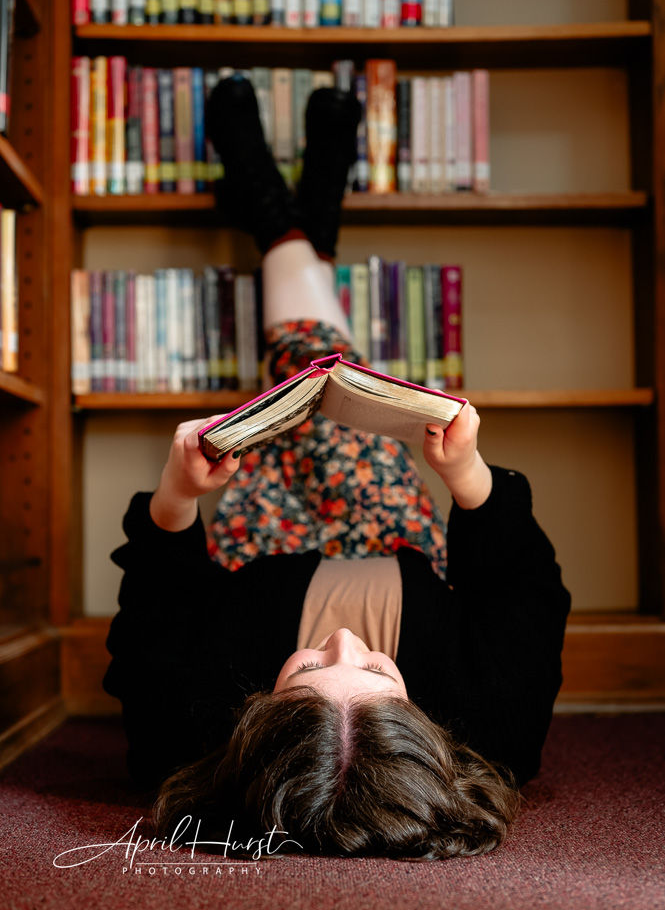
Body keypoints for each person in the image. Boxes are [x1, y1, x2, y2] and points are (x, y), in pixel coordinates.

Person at [102, 76, 571, 861]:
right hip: (397, 534)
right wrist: (467, 475)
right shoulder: (496, 733)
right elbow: (525, 590)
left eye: (309, 669)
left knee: (302, 386)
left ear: (255, 717)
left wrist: (177, 497)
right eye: (379, 674)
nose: (346, 640)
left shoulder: (182, 739)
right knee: (327, 386)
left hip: (258, 551)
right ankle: (289, 219)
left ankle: (290, 217)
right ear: (421, 727)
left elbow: (156, 607)